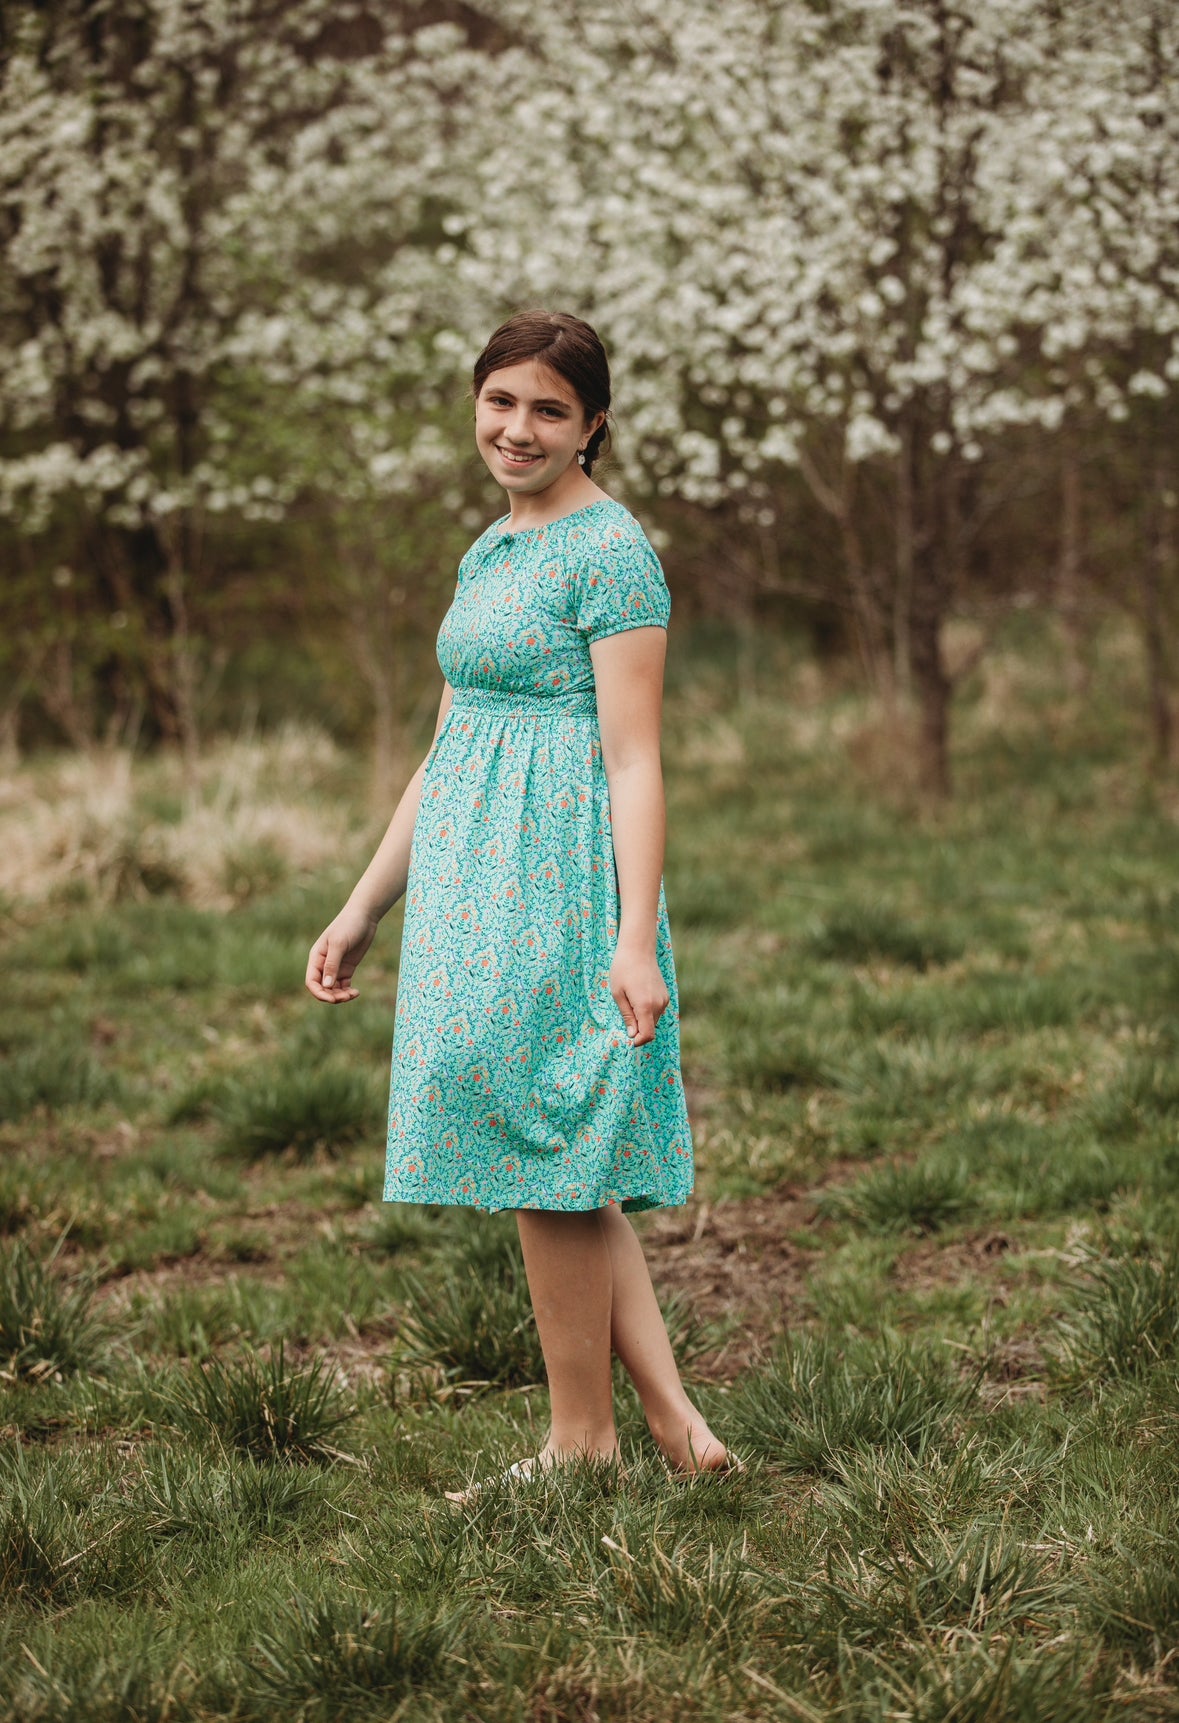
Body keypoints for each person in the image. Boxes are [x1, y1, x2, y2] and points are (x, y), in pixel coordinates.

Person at [306, 310, 736, 1498]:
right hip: (464, 879)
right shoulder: (487, 551)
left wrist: (634, 937)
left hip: (558, 878)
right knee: (564, 1151)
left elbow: (637, 758)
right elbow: (447, 753)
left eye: (550, 409)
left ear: (593, 424)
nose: (519, 428)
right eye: (502, 402)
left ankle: (579, 1445)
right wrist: (362, 909)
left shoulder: (610, 552)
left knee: (551, 1150)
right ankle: (670, 1422)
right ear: (475, 405)